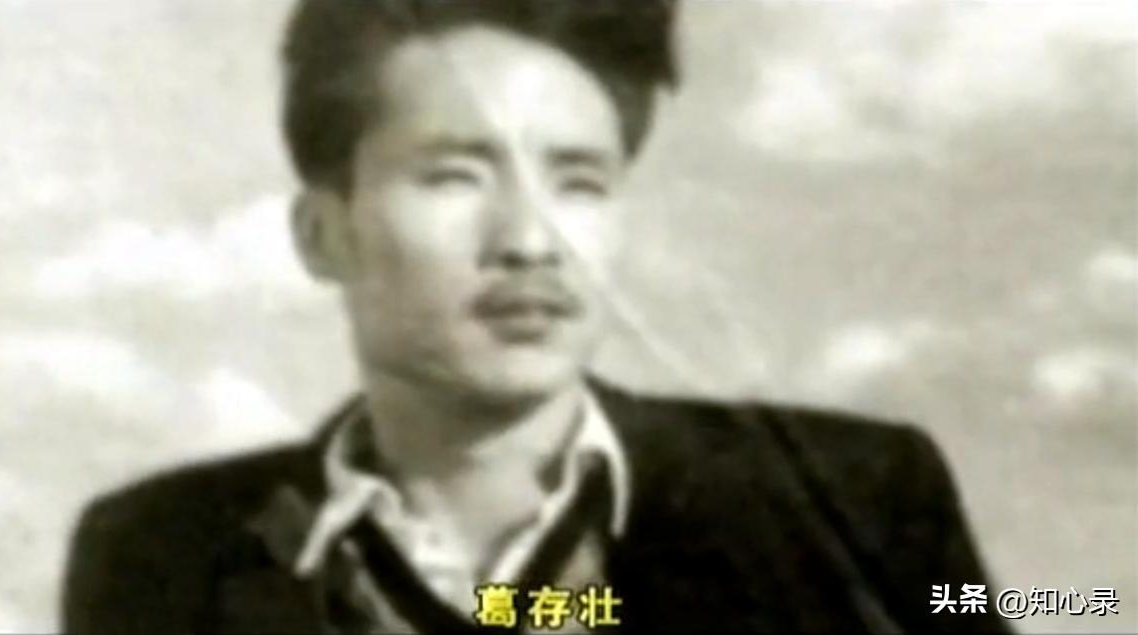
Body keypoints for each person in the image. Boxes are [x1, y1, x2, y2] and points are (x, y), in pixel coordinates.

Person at [61, 1, 1008, 632]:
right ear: (323, 231)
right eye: (453, 176)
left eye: (579, 182)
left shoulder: (850, 503)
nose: (530, 240)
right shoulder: (159, 551)